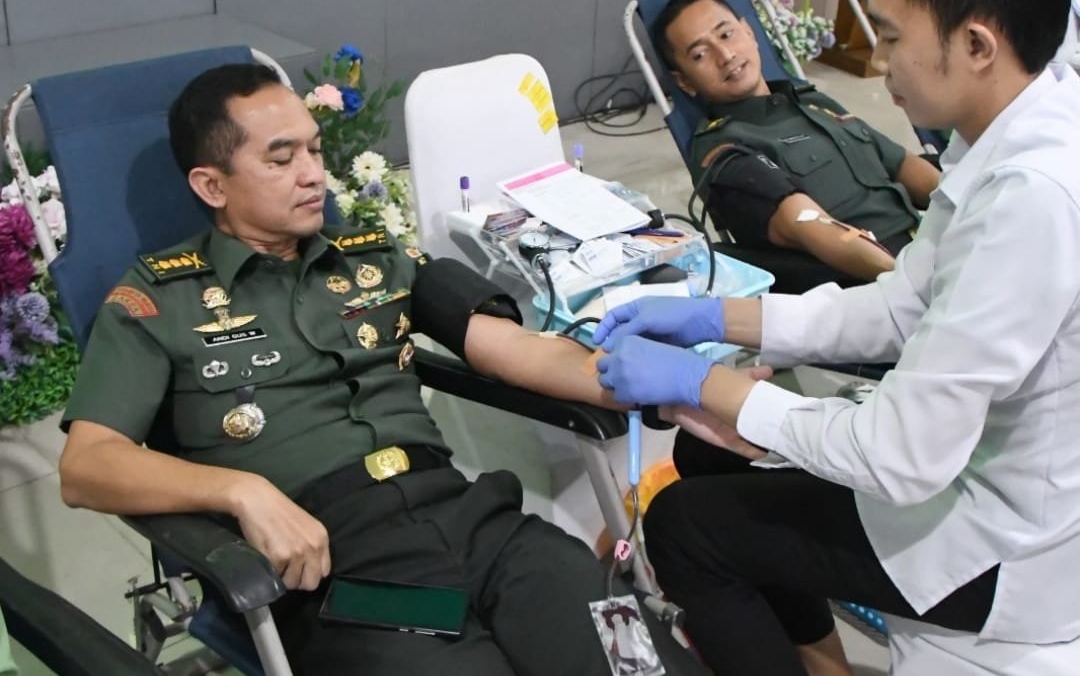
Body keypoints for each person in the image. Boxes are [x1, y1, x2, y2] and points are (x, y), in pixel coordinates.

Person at [56, 63, 708, 676]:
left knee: (632, 660)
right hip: (346, 575)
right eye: (281, 159)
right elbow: (87, 465)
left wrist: (686, 386)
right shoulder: (159, 301)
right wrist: (240, 492)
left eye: (315, 150)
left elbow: (516, 348)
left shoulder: (370, 258)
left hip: (482, 528)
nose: (313, 174)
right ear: (211, 185)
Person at [593, 0, 1080, 676]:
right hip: (979, 474)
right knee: (716, 461)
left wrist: (706, 383)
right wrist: (720, 317)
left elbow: (901, 453)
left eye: (889, 36)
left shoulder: (1034, 200)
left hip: (1007, 545)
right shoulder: (1016, 123)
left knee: (684, 527)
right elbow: (902, 304)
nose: (877, 62)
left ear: (976, 44)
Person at [653, 0, 940, 286]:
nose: (725, 56)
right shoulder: (722, 148)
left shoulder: (810, 101)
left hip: (931, 245)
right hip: (876, 278)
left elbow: (903, 165)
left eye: (726, 35)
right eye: (700, 55)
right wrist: (912, 283)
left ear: (749, 32)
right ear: (684, 81)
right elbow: (807, 225)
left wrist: (967, 220)